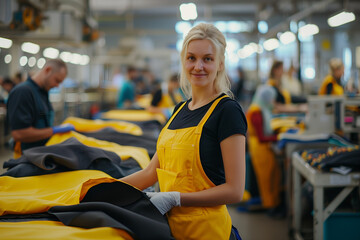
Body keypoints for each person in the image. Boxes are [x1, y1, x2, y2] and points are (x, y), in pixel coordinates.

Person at [121, 23, 247, 240]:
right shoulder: (179, 109)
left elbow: (235, 190)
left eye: (207, 59)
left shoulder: (227, 111)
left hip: (209, 232)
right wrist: (103, 189)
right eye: (191, 58)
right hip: (172, 230)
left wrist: (177, 198)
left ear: (220, 64)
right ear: (183, 62)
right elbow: (150, 173)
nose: (198, 66)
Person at [7, 59, 75, 158]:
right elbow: (19, 134)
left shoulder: (43, 92)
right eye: (57, 80)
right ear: (47, 70)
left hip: (41, 154)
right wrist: (54, 130)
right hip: (27, 158)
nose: (57, 85)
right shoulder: (23, 92)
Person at [246, 85, 282, 215]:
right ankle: (270, 206)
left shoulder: (261, 108)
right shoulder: (256, 112)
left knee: (274, 174)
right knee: (266, 179)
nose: (273, 102)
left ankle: (274, 203)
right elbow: (262, 137)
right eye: (272, 99)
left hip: (262, 147)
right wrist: (279, 137)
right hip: (259, 148)